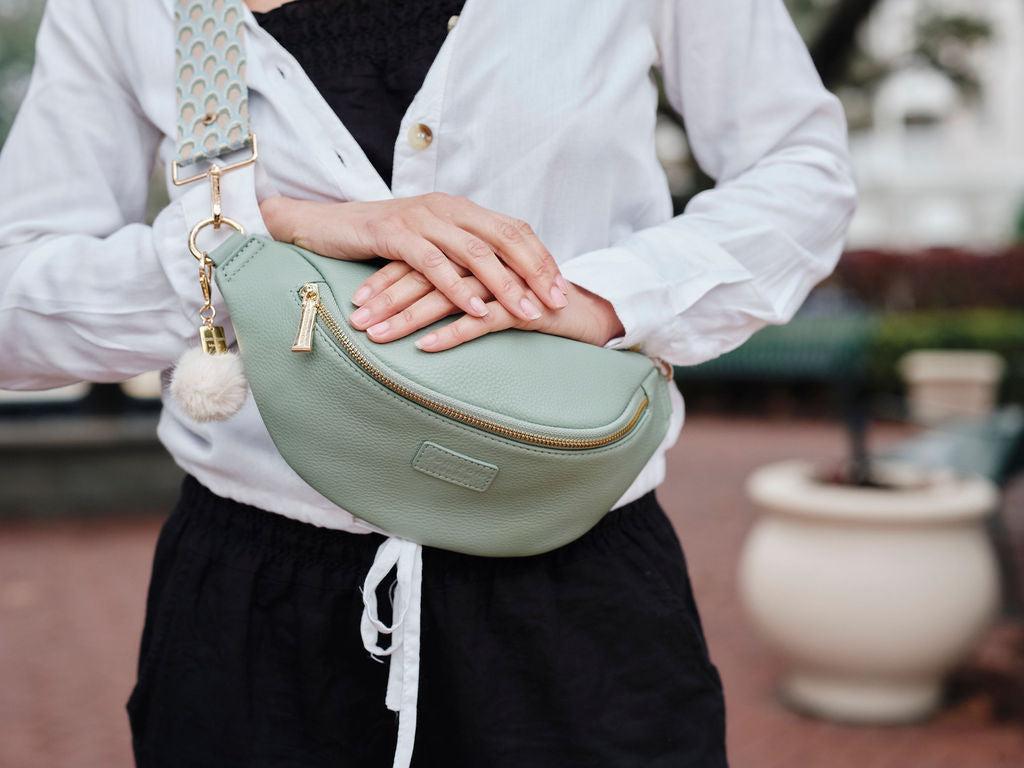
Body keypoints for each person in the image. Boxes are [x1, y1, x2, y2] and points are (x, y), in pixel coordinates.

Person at [0, 0, 856, 765]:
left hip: (580, 593)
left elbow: (800, 167)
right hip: (253, 615)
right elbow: (15, 300)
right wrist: (263, 240)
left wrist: (602, 297)